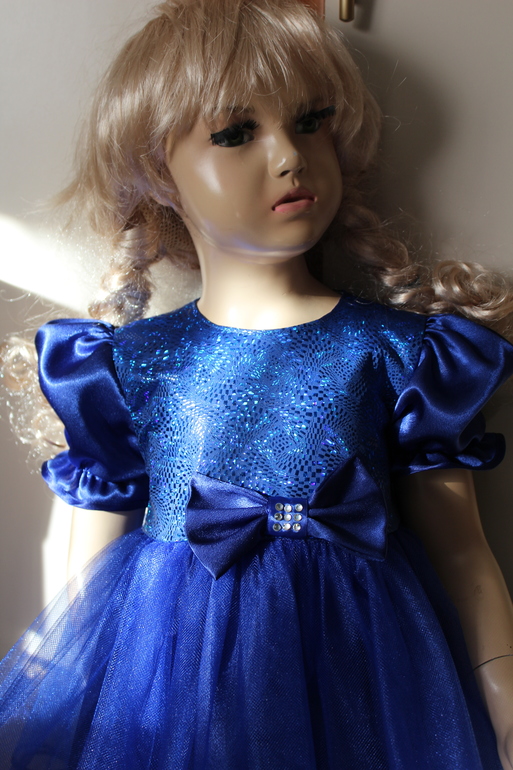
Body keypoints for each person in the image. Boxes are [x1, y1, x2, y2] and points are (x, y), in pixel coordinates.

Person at [1, 0, 513, 767]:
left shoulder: (401, 352)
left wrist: (501, 688)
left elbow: (464, 554)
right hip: (177, 681)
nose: (289, 157)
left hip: (365, 672)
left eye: (309, 123)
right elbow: (83, 590)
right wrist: (57, 706)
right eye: (235, 133)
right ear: (158, 171)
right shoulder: (125, 366)